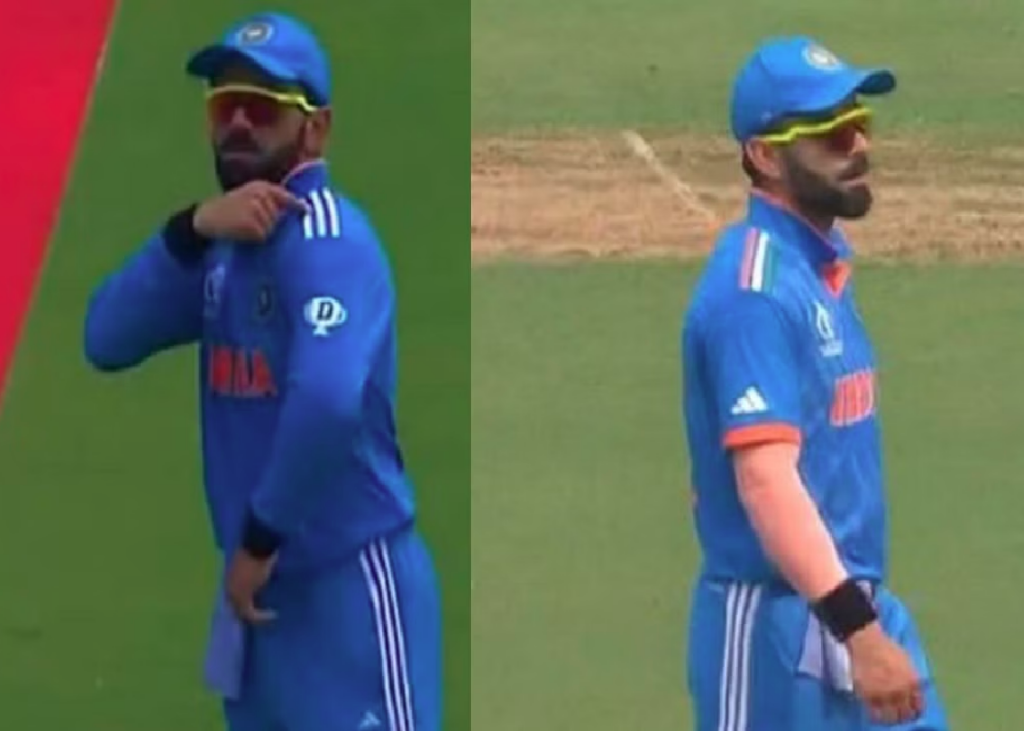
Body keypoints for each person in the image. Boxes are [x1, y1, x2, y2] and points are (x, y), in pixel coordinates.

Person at [83, 12, 442, 731]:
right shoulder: (223, 248)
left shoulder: (331, 243)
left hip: (344, 587)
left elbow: (328, 401)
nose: (239, 124)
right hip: (256, 604)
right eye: (225, 107)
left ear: (315, 129)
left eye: (263, 107)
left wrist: (258, 539)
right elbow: (106, 337)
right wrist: (189, 228)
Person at [680, 36, 949, 730]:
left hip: (855, 609)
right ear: (765, 156)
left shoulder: (816, 269)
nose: (857, 144)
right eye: (830, 133)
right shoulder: (754, 293)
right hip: (777, 636)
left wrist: (865, 624)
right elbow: (766, 479)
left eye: (859, 121)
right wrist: (859, 632)